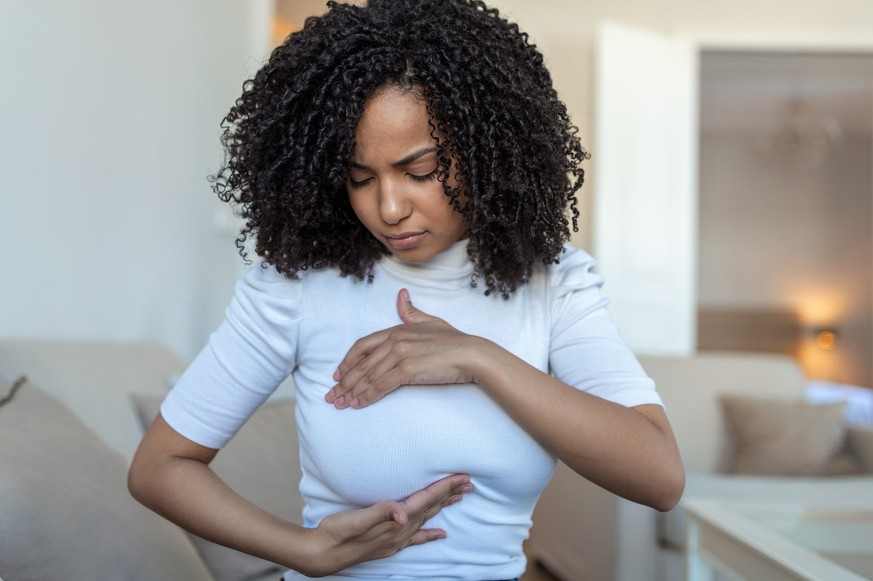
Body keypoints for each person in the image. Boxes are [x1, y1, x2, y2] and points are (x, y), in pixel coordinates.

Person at [128, 0, 685, 579]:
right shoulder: (297, 286)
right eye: (360, 178)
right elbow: (160, 466)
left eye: (419, 172)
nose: (388, 209)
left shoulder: (556, 284)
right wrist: (303, 550)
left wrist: (477, 357)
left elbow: (660, 478)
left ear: (486, 150)